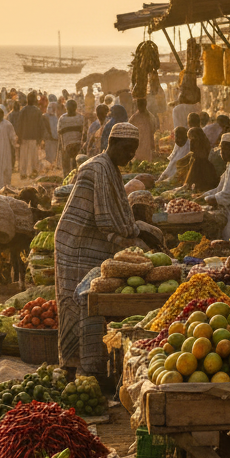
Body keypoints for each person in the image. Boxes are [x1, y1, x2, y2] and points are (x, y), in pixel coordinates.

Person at [54, 122, 163, 376]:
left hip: (89, 241)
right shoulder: (98, 167)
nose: (130, 155)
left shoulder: (110, 167)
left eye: (134, 150)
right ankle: (77, 367)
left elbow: (116, 215)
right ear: (111, 143)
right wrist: (139, 231)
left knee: (88, 302)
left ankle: (90, 364)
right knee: (79, 303)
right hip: (76, 244)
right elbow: (106, 217)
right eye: (126, 149)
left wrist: (138, 232)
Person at [178, 127, 220, 192]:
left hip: (206, 185)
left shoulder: (203, 158)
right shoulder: (195, 156)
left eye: (192, 140)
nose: (191, 143)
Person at [16, 91, 45, 178]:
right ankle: (33, 172)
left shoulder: (23, 110)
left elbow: (19, 125)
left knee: (23, 157)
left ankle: (23, 173)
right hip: (34, 137)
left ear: (27, 100)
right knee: (33, 157)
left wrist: (19, 137)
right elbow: (41, 126)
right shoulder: (37, 111)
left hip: (24, 137)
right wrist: (40, 138)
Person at [57, 99, 86, 174]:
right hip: (78, 144)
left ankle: (67, 178)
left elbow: (59, 132)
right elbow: (84, 131)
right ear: (75, 108)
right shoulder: (80, 118)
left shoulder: (62, 118)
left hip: (67, 145)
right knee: (76, 165)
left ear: (66, 108)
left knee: (66, 167)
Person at [129, 97, 159, 162]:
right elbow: (130, 131)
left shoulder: (150, 117)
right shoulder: (134, 118)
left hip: (148, 144)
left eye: (142, 105)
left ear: (145, 105)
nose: (141, 107)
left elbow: (154, 129)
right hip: (137, 145)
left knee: (147, 162)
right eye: (139, 105)